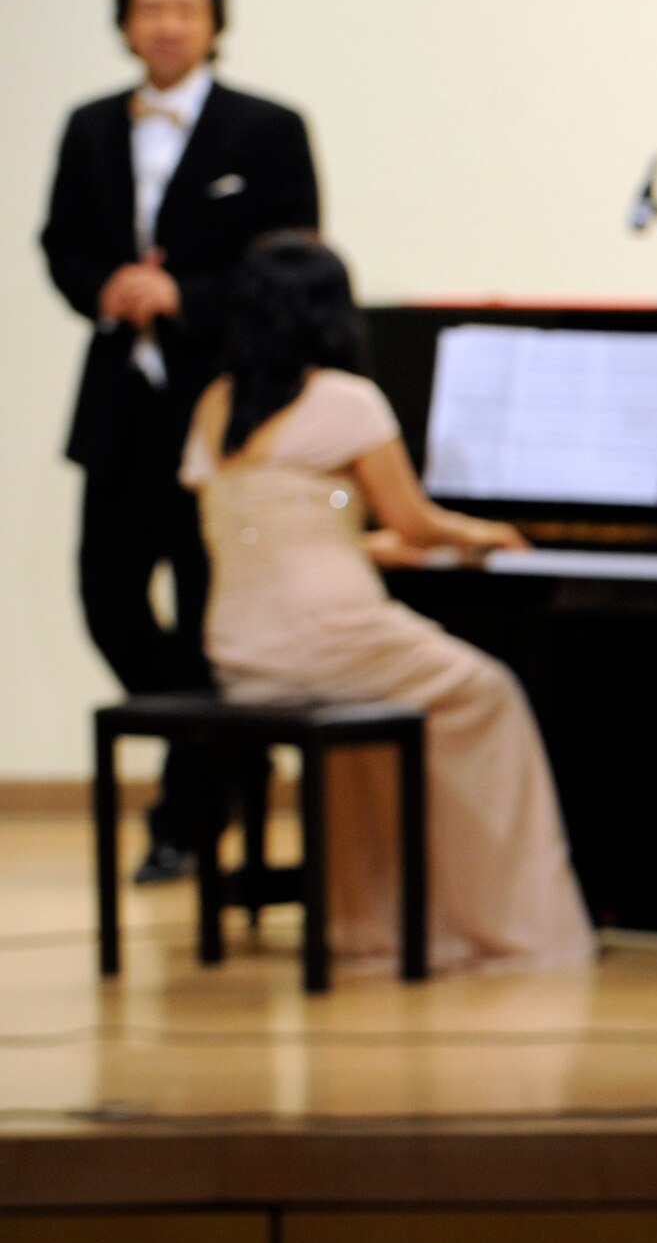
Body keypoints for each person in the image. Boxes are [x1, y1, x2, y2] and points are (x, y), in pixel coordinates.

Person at [179, 233, 597, 972]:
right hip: (332, 637)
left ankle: (377, 916)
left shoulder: (216, 404)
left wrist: (368, 547)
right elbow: (415, 521)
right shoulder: (345, 398)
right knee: (488, 698)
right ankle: (496, 918)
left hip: (244, 649)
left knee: (377, 729)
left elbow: (270, 530)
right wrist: (483, 533)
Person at [41, 0, 320, 883]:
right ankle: (225, 752)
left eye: (185, 8)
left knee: (208, 612)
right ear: (125, 22)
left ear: (213, 21)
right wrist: (104, 289)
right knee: (107, 597)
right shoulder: (88, 128)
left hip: (217, 407)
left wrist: (188, 300)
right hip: (121, 400)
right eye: (150, 8)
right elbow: (61, 244)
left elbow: (292, 262)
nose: (167, 24)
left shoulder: (267, 128)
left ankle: (185, 819)